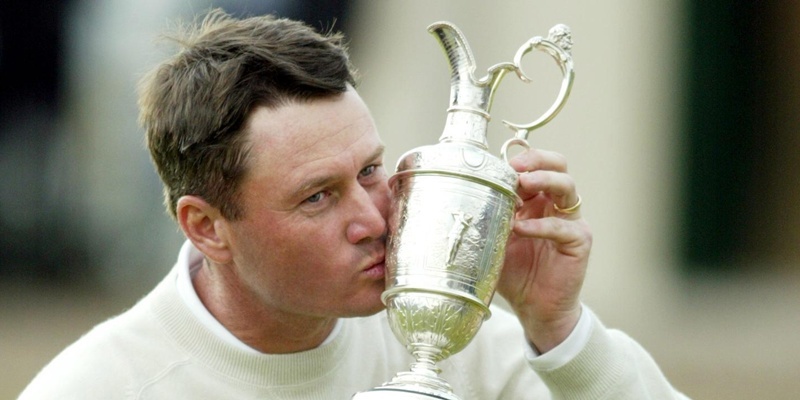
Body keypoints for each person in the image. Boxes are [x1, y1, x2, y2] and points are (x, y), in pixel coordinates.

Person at [19, 9, 689, 399]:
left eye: (371, 170)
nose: (374, 219)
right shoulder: (98, 386)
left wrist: (562, 327)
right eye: (318, 197)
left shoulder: (463, 341)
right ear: (206, 227)